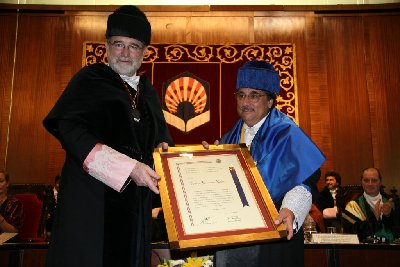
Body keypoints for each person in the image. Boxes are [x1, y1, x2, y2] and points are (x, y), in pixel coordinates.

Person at [42, 5, 173, 267]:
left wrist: (187, 157)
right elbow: (70, 129)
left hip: (135, 210)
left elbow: (161, 144)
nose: (125, 53)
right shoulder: (89, 79)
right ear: (107, 46)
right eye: (118, 44)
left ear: (145, 51)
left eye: (133, 46)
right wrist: (128, 168)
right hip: (93, 205)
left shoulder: (148, 93)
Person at [203, 60, 326, 267]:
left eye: (254, 95)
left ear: (270, 101)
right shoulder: (229, 137)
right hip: (234, 235)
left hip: (275, 229)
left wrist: (291, 209)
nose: (245, 102)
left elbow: (306, 180)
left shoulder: (287, 133)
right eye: (241, 95)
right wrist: (209, 162)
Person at [342, 167, 396, 243]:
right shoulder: (352, 206)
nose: (370, 184)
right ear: (361, 182)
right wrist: (375, 217)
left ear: (380, 182)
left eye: (374, 180)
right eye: (366, 180)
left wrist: (388, 216)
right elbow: (351, 235)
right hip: (366, 251)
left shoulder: (391, 203)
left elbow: (396, 230)